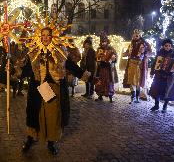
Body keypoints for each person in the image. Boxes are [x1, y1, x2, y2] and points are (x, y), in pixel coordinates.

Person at [17, 26, 91, 155]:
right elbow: (27, 69)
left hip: (55, 88)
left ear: (52, 37)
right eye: (43, 35)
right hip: (39, 88)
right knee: (35, 113)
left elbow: (72, 66)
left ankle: (51, 142)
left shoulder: (60, 51)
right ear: (40, 37)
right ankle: (30, 138)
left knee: (53, 117)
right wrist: (14, 70)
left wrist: (88, 77)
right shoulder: (34, 52)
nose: (45, 37)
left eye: (47, 35)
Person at [149, 39, 174, 113]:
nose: (168, 47)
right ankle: (156, 105)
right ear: (163, 46)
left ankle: (165, 106)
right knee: (156, 91)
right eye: (166, 46)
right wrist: (152, 72)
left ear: (171, 46)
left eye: (169, 46)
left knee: (168, 92)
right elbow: (155, 64)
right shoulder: (159, 54)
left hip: (169, 77)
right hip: (159, 75)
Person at [123, 29, 152, 104]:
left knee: (138, 82)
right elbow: (127, 52)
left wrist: (145, 53)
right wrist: (125, 54)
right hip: (131, 64)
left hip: (140, 65)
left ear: (140, 35)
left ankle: (137, 98)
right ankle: (132, 97)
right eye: (134, 34)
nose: (135, 36)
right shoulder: (131, 44)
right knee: (131, 80)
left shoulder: (145, 43)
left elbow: (150, 52)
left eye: (137, 35)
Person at [94, 32, 118, 103]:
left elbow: (115, 57)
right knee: (100, 82)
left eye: (104, 42)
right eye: (102, 42)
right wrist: (97, 57)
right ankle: (100, 96)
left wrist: (113, 58)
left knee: (109, 82)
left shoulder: (111, 49)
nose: (103, 43)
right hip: (101, 68)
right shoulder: (99, 49)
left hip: (108, 69)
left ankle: (110, 96)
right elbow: (96, 58)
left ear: (107, 41)